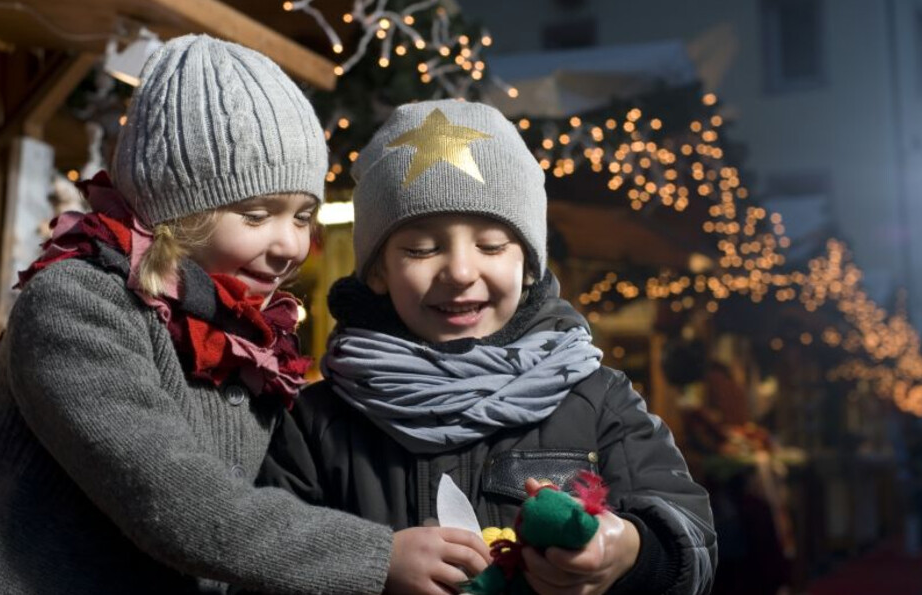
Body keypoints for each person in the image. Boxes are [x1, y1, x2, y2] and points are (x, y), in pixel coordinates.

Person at [0, 36, 488, 594]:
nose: (289, 245)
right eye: (258, 215)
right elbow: (171, 496)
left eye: (302, 215)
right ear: (178, 211)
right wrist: (375, 556)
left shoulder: (249, 337)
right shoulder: (80, 305)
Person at [261, 100, 717, 595]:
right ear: (377, 271)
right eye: (420, 248)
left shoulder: (598, 401)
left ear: (528, 266)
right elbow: (256, 562)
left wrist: (626, 550)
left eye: (493, 245)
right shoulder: (315, 423)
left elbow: (691, 542)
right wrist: (367, 565)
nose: (460, 271)